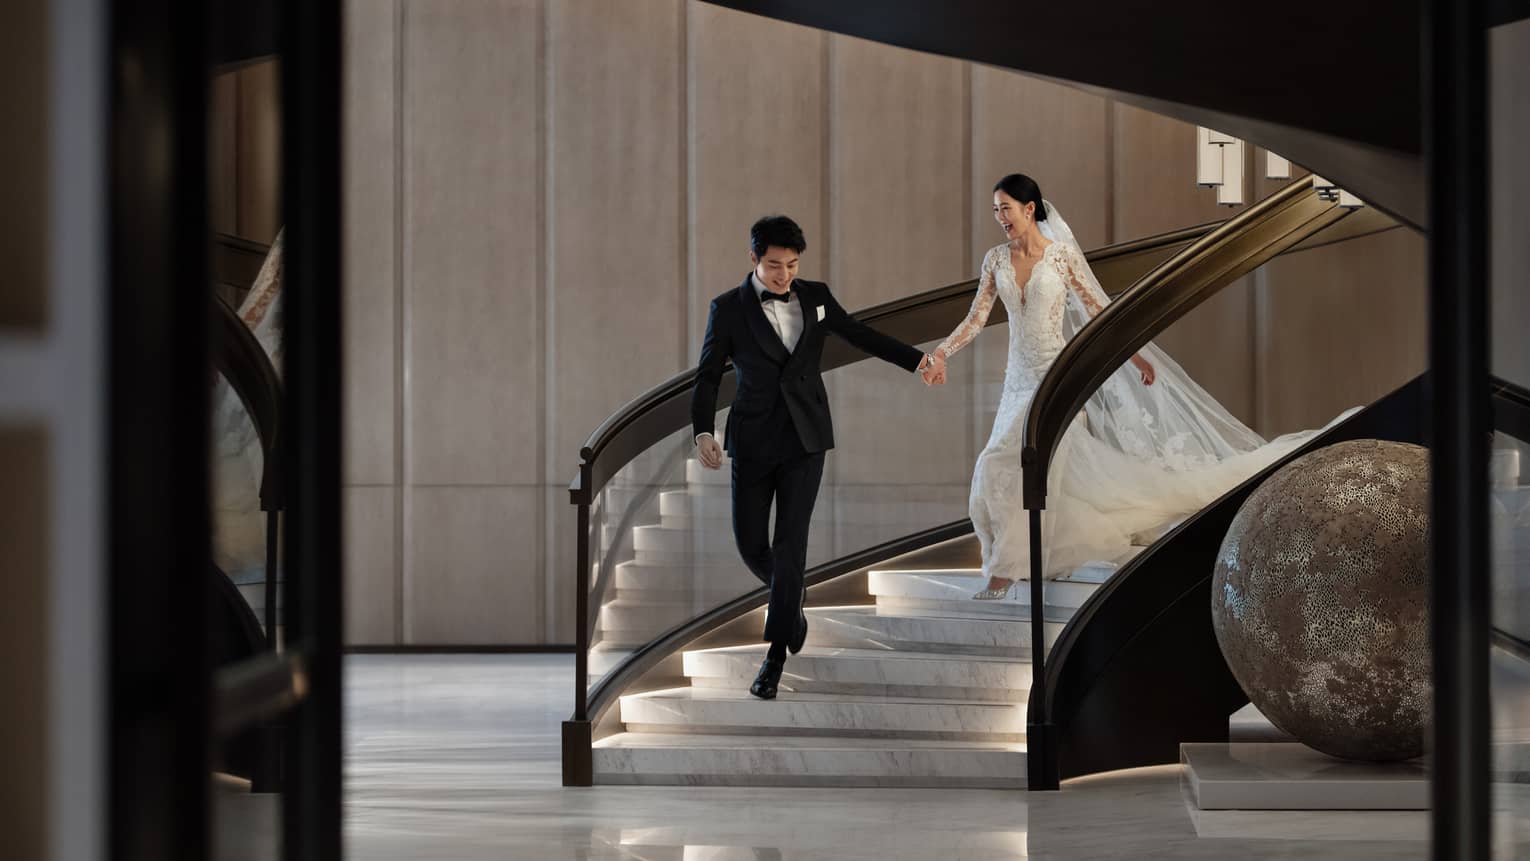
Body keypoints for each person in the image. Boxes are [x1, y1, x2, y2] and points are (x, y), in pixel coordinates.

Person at [926, 173, 1346, 600]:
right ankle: (1023, 559)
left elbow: (1098, 314)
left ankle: (1003, 572)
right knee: (1009, 468)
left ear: (1029, 209)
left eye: (1006, 208)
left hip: (1056, 379)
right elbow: (977, 319)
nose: (1000, 217)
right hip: (1015, 383)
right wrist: (942, 353)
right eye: (996, 210)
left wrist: (1136, 355)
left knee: (1005, 465)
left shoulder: (1062, 257)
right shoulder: (995, 259)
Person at [691, 215, 944, 698]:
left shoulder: (817, 296)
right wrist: (703, 431)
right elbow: (706, 377)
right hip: (752, 438)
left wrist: (918, 362)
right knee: (750, 544)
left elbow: (860, 334)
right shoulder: (726, 309)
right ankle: (791, 598)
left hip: (807, 440)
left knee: (790, 544)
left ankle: (773, 658)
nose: (784, 275)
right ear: (753, 259)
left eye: (791, 265)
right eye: (773, 265)